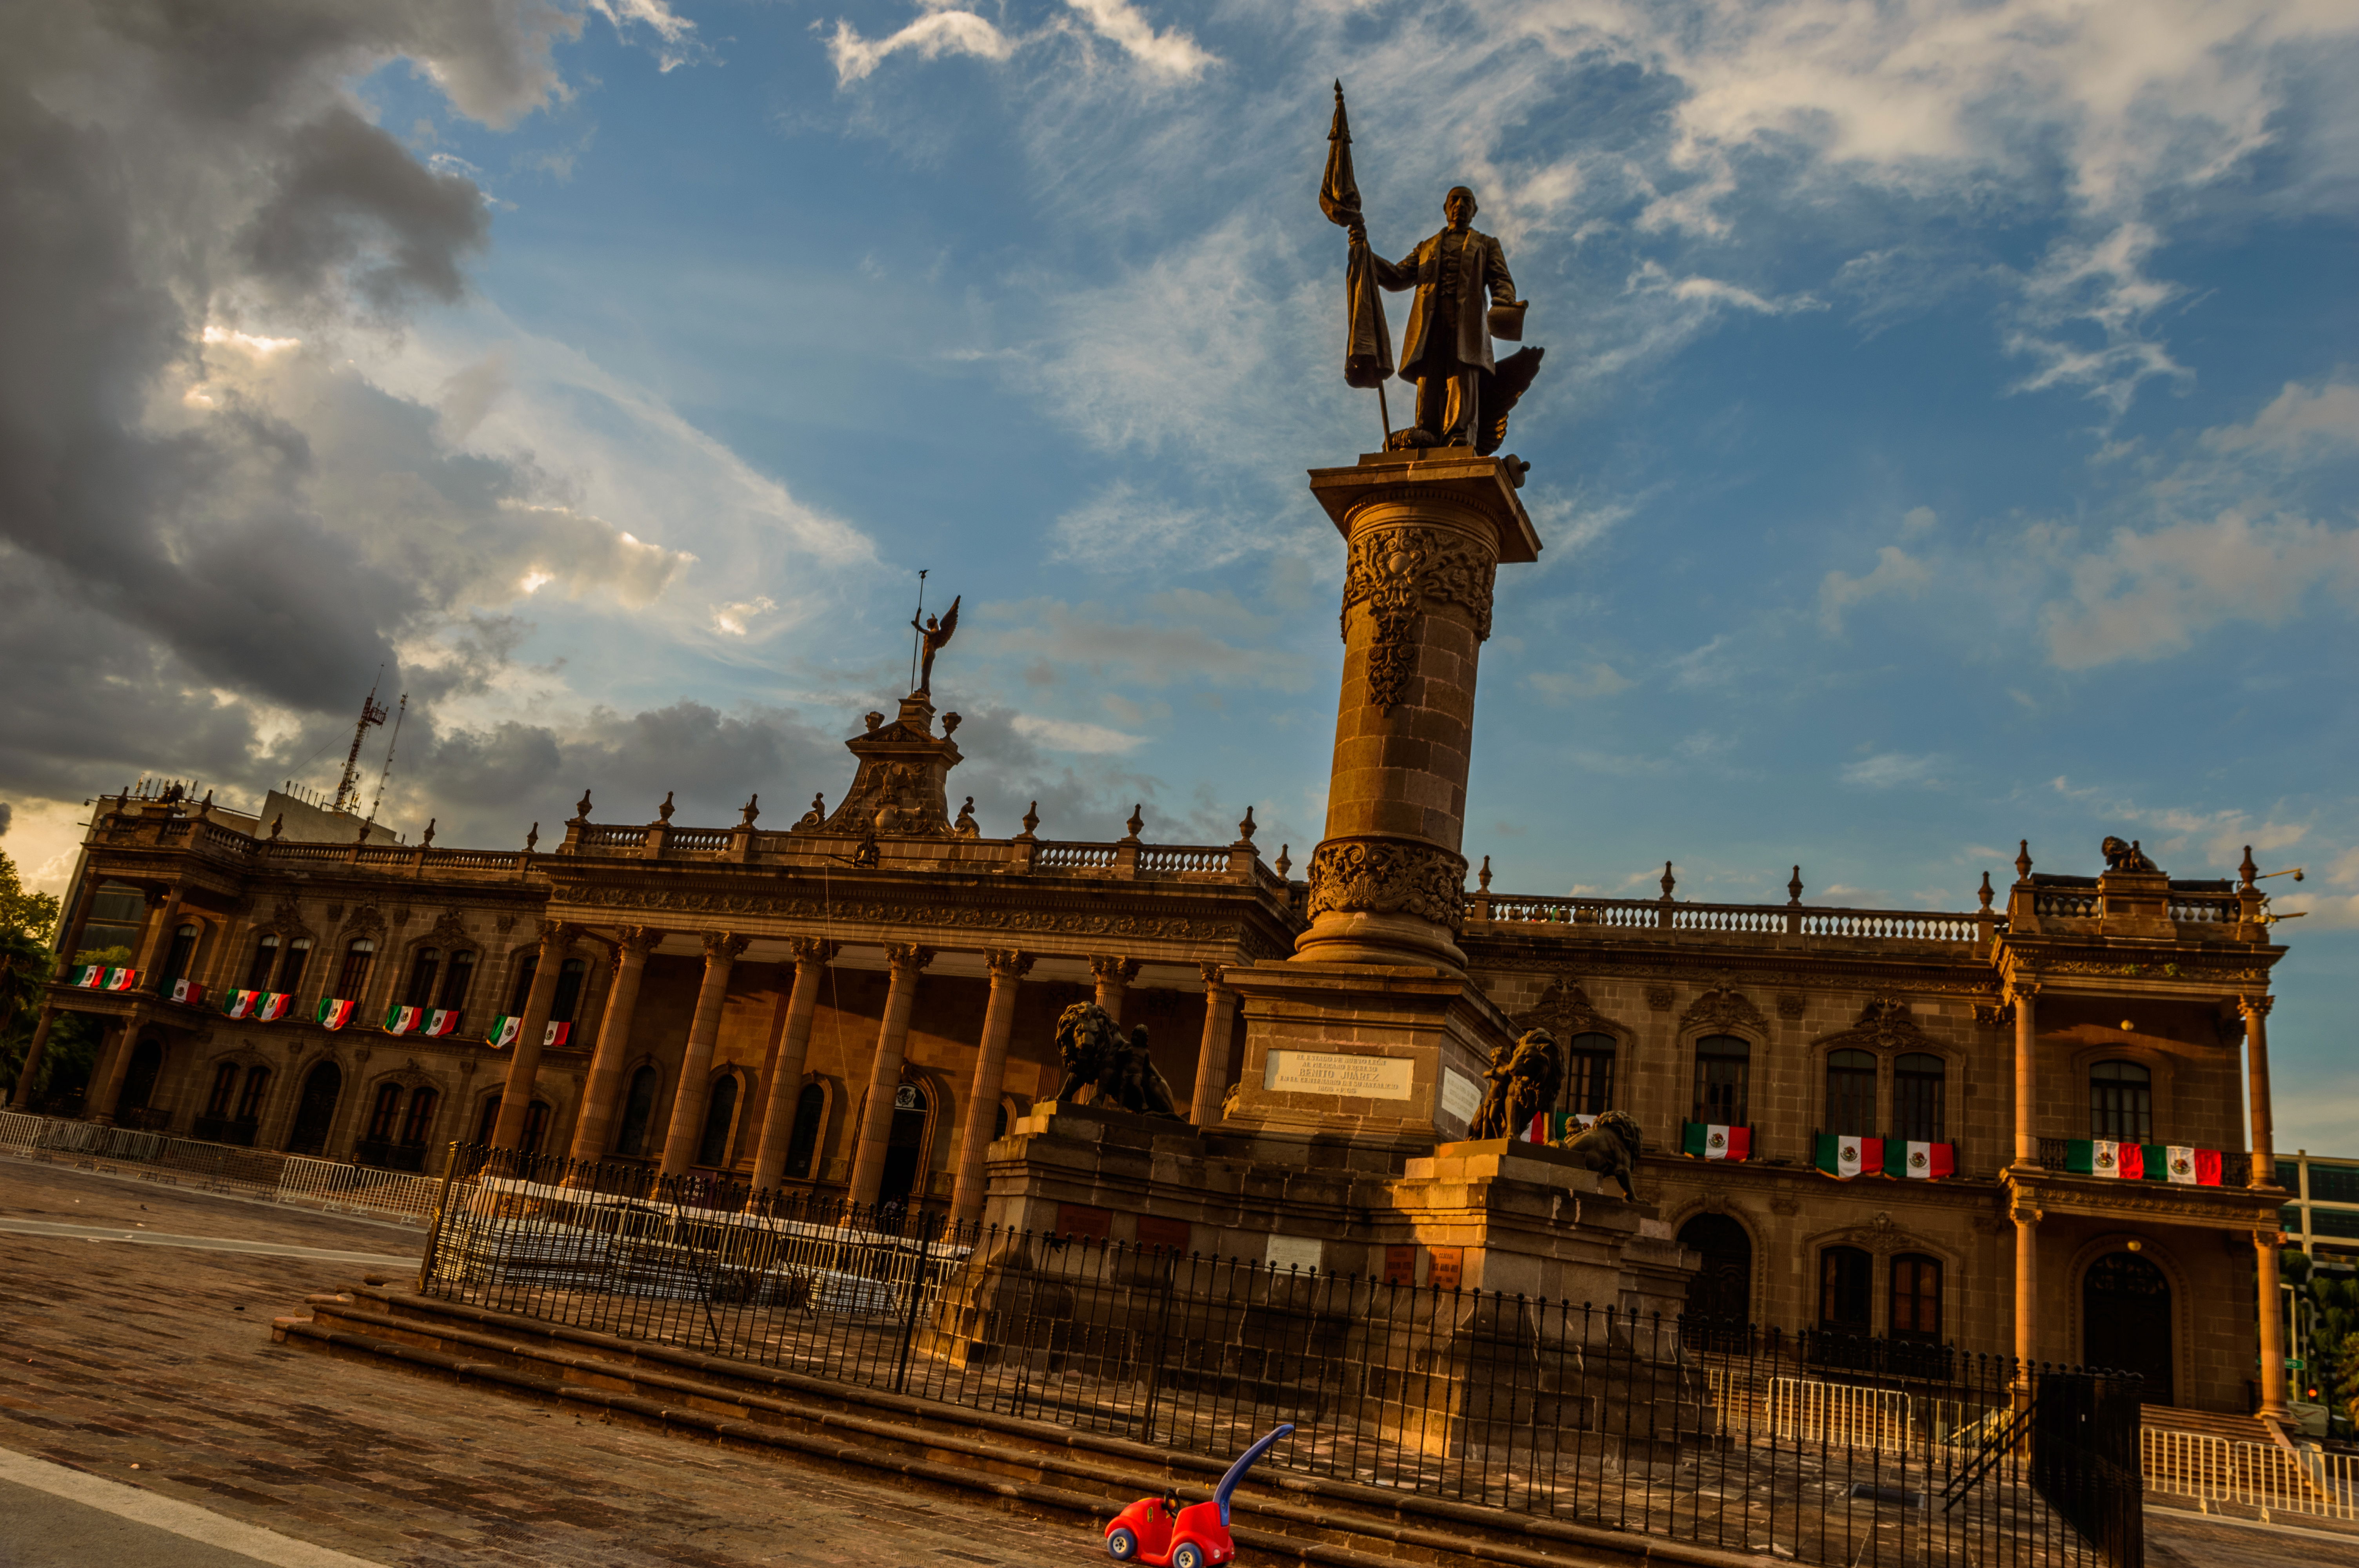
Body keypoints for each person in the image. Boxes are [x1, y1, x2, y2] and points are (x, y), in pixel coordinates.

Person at [1351, 187, 1521, 448]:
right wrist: (1365, 253)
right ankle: (1426, 431)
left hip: (1468, 323)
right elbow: (1397, 277)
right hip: (1430, 322)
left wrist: (1505, 301)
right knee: (1429, 375)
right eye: (1455, 200)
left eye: (1467, 201)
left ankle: (1460, 435)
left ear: (1474, 211)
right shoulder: (1426, 247)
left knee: (1462, 373)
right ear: (1445, 208)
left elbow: (1501, 281)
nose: (1460, 205)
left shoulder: (1487, 244)